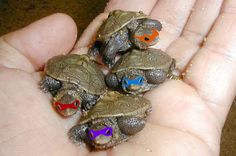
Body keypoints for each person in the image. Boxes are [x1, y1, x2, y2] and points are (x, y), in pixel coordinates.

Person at [0, 0, 235, 155]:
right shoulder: (110, 78)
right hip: (110, 68)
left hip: (130, 65)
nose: (99, 139)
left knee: (152, 72)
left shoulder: (143, 61)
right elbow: (108, 70)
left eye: (150, 38)